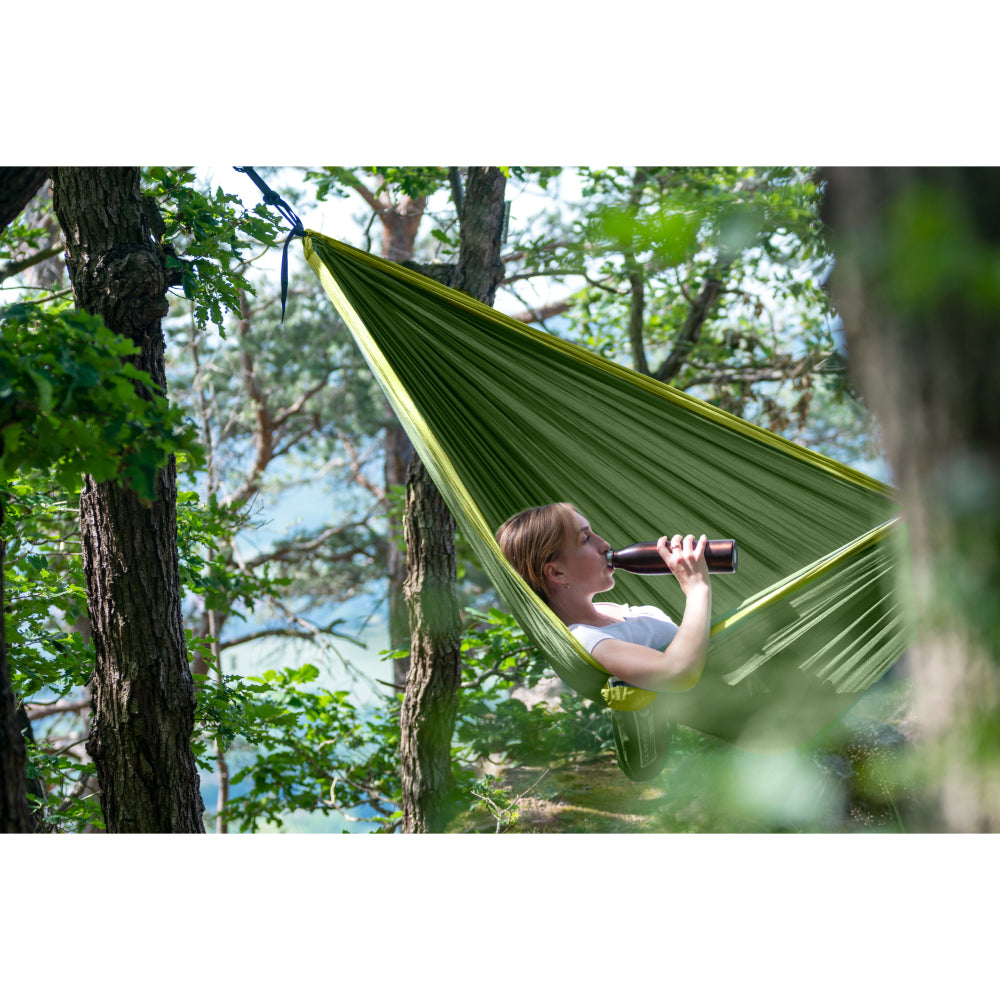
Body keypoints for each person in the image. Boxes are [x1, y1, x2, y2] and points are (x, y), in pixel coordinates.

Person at [496, 502, 712, 693]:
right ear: (557, 573)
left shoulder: (611, 610)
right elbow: (676, 673)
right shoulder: (585, 638)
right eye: (586, 539)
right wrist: (697, 588)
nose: (604, 544)